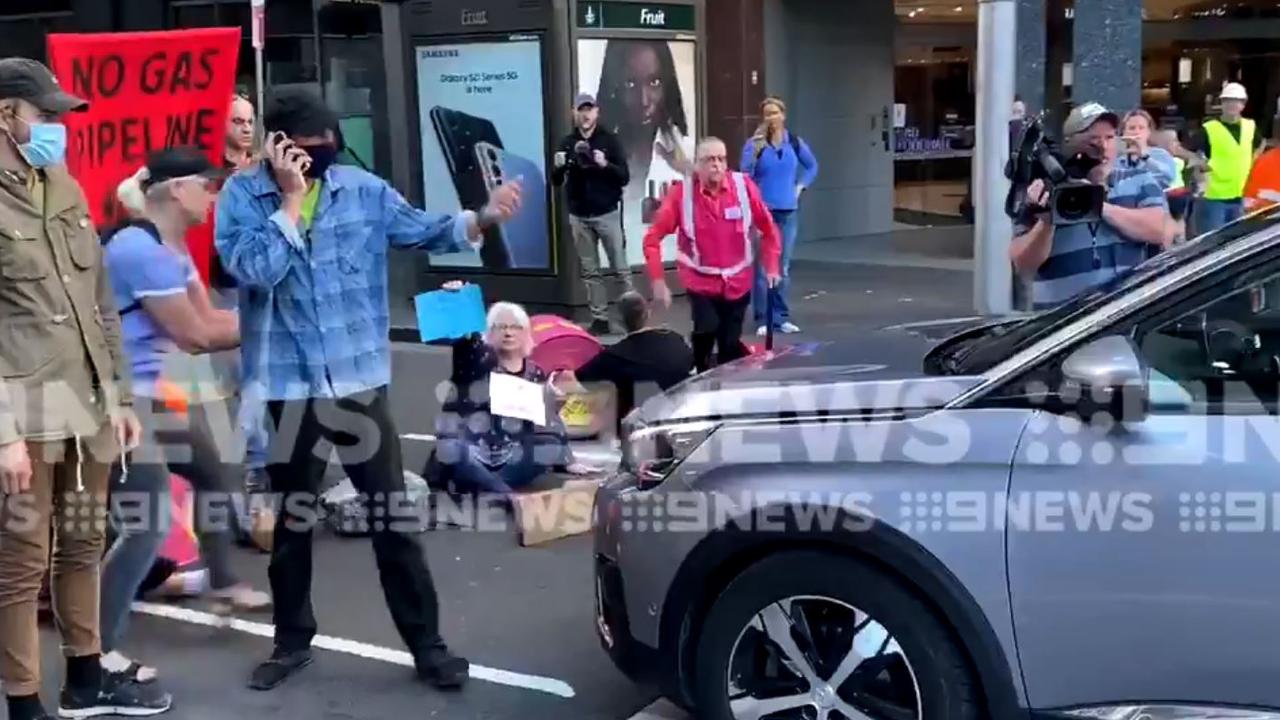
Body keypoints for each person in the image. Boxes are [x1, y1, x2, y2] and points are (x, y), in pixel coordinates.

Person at [215, 88, 521, 692]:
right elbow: (253, 270)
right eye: (308, 149)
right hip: (288, 385)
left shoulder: (362, 188)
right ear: (277, 146)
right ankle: (291, 641)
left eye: (329, 146)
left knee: (392, 520)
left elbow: (423, 229)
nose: (323, 156)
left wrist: (481, 217)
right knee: (293, 522)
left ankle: (428, 646)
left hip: (357, 381)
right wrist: (291, 202)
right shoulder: (241, 198)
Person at [0, 57, 164, 720]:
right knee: (20, 562)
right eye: (45, 115)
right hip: (26, 410)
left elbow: (98, 301)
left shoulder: (62, 183)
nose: (57, 128)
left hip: (88, 402)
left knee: (84, 539)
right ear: (5, 115)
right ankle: (23, 703)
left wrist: (120, 397)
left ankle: (86, 677)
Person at [99, 148, 273, 688]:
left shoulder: (168, 249)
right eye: (210, 186)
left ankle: (221, 581)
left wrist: (262, 315)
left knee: (215, 470)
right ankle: (95, 651)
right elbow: (196, 337)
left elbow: (211, 320)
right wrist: (278, 322)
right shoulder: (137, 249)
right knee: (144, 528)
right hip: (115, 402)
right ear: (178, 190)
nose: (215, 197)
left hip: (148, 395)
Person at [1009, 102, 1170, 309]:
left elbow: (1159, 230)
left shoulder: (1139, 176)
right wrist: (1047, 221)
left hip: (1125, 316)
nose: (1103, 147)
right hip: (1063, 324)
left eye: (1110, 137)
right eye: (1093, 140)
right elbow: (1023, 265)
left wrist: (1095, 203)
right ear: (1071, 144)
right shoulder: (1043, 187)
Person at [434, 287, 591, 496]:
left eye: (515, 327)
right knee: (454, 449)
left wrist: (552, 405)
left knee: (550, 446)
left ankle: (485, 487)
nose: (508, 333)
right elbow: (464, 347)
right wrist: (457, 301)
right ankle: (505, 496)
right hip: (475, 450)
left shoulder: (534, 371)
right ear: (490, 332)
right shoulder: (479, 363)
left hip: (511, 456)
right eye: (501, 327)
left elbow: (548, 422)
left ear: (525, 333)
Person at [644, 137, 782, 373]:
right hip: (701, 281)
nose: (717, 165)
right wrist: (658, 281)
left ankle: (726, 390)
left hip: (738, 282)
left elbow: (770, 230)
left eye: (721, 159)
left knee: (729, 344)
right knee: (706, 328)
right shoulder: (681, 194)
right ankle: (700, 370)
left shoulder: (744, 187)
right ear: (697, 165)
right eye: (709, 160)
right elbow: (652, 239)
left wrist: (772, 267)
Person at [552, 92, 633, 335]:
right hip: (579, 215)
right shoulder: (567, 142)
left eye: (590, 110)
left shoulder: (610, 140)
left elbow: (624, 177)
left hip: (606, 212)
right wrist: (558, 167)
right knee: (590, 271)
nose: (586, 115)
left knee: (620, 267)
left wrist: (605, 164)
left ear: (597, 112)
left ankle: (632, 318)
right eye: (581, 110)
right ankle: (599, 318)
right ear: (574, 113)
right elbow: (556, 181)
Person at [740, 97, 818, 337]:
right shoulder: (754, 145)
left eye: (775, 113)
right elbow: (745, 175)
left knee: (783, 267)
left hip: (789, 210)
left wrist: (800, 186)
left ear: (783, 115)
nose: (771, 117)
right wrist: (756, 199)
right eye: (767, 113)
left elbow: (812, 166)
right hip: (764, 213)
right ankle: (764, 317)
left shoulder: (794, 142)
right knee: (765, 268)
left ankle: (781, 316)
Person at [569, 291, 693, 436]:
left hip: (640, 426)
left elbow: (580, 379)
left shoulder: (615, 355)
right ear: (648, 313)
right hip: (681, 415)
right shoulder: (675, 340)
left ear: (620, 321)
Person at [1190, 82, 1262, 231]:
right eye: (1228, 100)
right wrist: (1199, 168)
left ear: (1243, 104)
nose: (1232, 104)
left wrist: (1253, 162)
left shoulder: (1250, 126)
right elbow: (1188, 152)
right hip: (1214, 197)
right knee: (1213, 244)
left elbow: (1261, 143)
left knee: (1237, 244)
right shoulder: (1209, 129)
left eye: (1236, 101)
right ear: (1221, 103)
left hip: (1241, 195)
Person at [225, 93, 257, 172]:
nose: (247, 129)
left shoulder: (268, 168)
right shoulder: (206, 176)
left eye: (250, 122)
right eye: (238, 121)